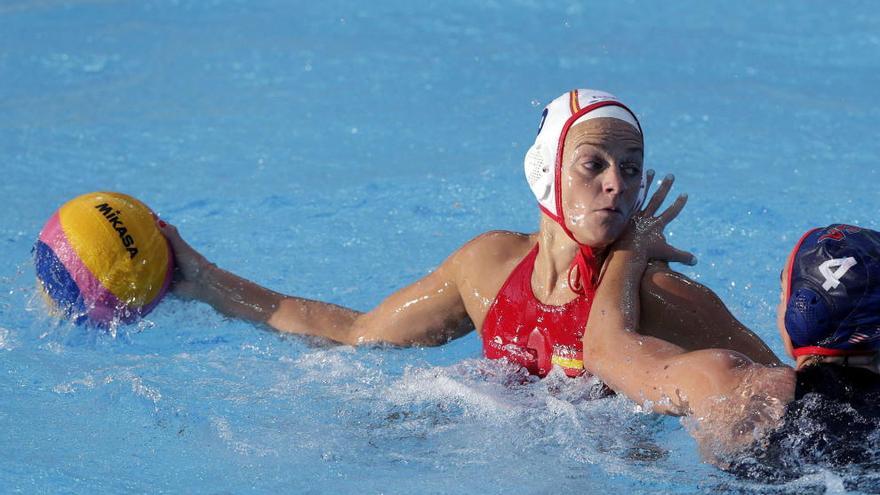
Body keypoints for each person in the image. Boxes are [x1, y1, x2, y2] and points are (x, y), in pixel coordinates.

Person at [159, 89, 779, 378]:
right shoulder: (487, 269)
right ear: (544, 172)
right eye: (594, 164)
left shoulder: (660, 299)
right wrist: (201, 279)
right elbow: (355, 335)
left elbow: (795, 396)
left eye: (632, 168)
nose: (617, 183)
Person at [581, 180, 880, 473]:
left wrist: (631, 246)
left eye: (782, 295)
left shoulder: (742, 388)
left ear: (803, 314)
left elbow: (604, 349)